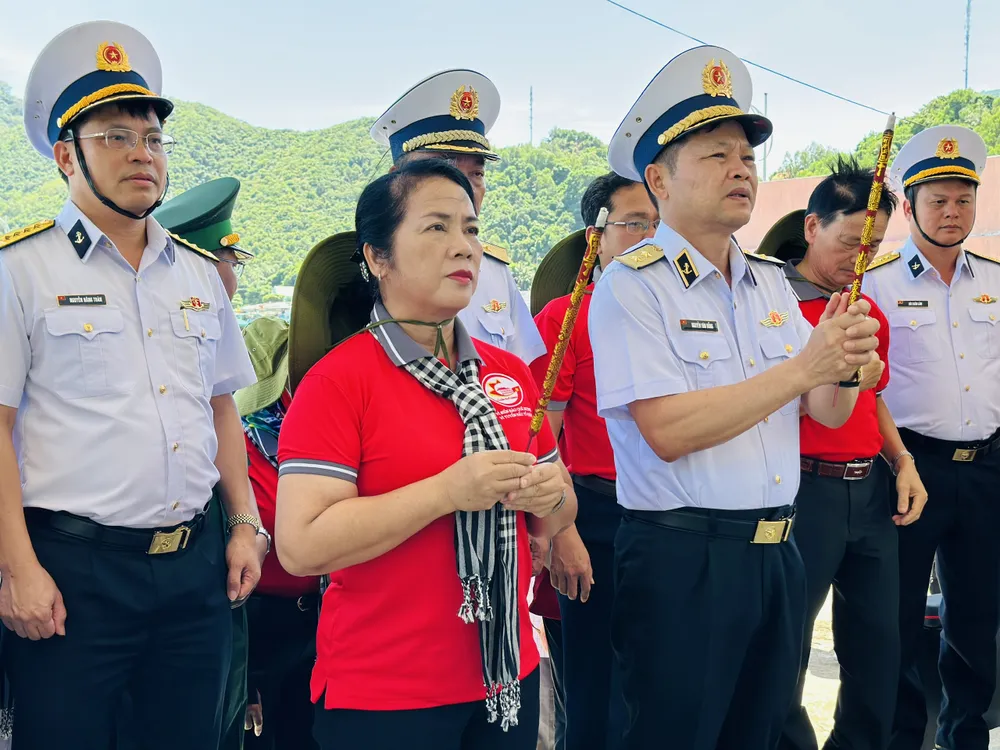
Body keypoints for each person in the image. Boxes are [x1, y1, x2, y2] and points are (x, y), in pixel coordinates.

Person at [589, 45, 882, 750]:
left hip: (776, 555)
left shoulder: (770, 282)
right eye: (717, 155)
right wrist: (802, 368)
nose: (741, 170)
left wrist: (843, 364)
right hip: (683, 559)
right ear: (658, 178)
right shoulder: (634, 285)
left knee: (759, 734)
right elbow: (666, 429)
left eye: (748, 158)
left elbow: (824, 413)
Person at [0, 20, 264, 750]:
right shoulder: (21, 271)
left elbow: (221, 408)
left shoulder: (195, 274)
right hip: (74, 574)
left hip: (192, 571)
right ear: (65, 155)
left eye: (152, 139)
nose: (142, 155)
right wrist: (17, 569)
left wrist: (244, 523)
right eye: (115, 137)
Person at [274, 158, 578, 749]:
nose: (463, 247)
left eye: (470, 228)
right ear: (377, 257)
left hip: (504, 678)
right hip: (386, 693)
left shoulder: (507, 373)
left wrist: (551, 495)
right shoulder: (339, 381)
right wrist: (446, 493)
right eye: (436, 228)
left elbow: (557, 512)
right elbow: (301, 544)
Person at [758, 158, 927, 750]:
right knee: (786, 648)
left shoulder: (866, 307)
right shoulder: (770, 302)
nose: (862, 259)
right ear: (811, 227)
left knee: (878, 646)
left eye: (875, 246)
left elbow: (871, 401)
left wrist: (902, 462)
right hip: (802, 492)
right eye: (852, 242)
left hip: (870, 492)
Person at [861, 125, 1000, 750]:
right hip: (908, 469)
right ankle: (903, 739)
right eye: (938, 199)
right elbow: (868, 388)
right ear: (910, 203)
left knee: (976, 618)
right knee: (899, 620)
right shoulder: (876, 284)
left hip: (988, 468)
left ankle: (967, 737)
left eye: (964, 199)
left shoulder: (995, 280)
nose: (952, 212)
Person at [529, 172, 658, 750]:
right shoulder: (563, 318)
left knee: (660, 680)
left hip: (669, 516)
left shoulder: (676, 310)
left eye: (658, 223)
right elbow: (542, 436)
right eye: (634, 224)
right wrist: (561, 530)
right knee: (595, 684)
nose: (649, 236)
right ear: (596, 235)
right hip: (597, 515)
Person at [154, 176, 261, 750]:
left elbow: (224, 416)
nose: (231, 277)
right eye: (222, 259)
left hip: (208, 536)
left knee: (220, 692)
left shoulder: (212, 324)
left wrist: (245, 523)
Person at [370, 68, 545, 363]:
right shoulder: (373, 262)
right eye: (444, 170)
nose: (464, 189)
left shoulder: (495, 272)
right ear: (394, 181)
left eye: (476, 173)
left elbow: (525, 381)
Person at [234, 316, 320, 750]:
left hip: (318, 621)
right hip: (257, 624)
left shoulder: (326, 429)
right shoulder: (236, 445)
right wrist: (245, 679)